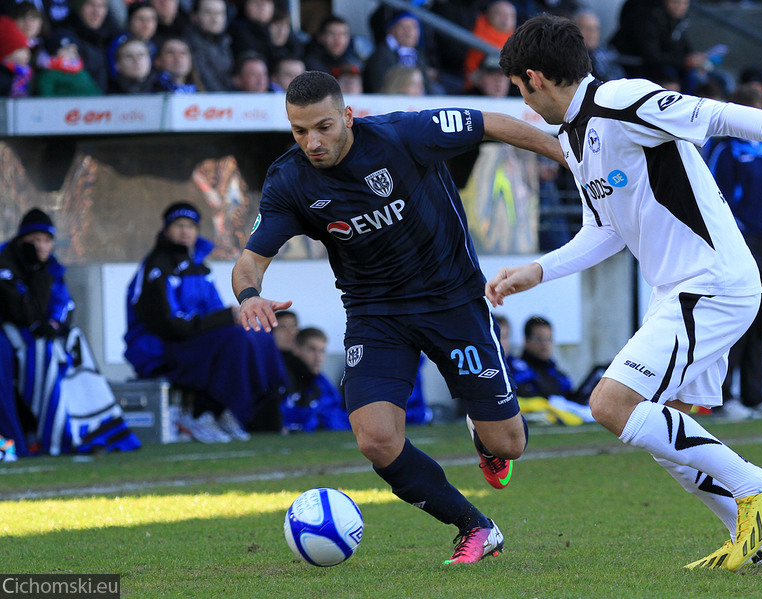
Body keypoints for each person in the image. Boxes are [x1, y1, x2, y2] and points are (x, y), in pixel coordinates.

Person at [489, 14, 762, 571]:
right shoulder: (574, 138)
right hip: (678, 291)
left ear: (535, 77)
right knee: (671, 421)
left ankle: (760, 487)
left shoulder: (621, 99)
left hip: (713, 282)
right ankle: (755, 539)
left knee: (611, 404)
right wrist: (539, 270)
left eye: (517, 85)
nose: (520, 96)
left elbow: (716, 114)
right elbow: (605, 230)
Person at [232, 71, 562, 564]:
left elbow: (490, 121)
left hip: (452, 301)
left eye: (322, 127)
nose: (311, 142)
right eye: (299, 131)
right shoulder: (290, 181)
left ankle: (485, 437)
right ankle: (474, 526)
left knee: (509, 444)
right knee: (377, 440)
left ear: (347, 115)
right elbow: (249, 261)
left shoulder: (403, 135)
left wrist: (570, 160)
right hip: (375, 313)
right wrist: (249, 297)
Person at [125, 202, 288, 443]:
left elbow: (214, 313)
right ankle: (204, 412)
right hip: (159, 346)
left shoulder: (201, 269)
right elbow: (169, 325)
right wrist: (225, 317)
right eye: (179, 225)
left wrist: (233, 317)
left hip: (193, 339)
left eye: (191, 226)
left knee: (257, 332)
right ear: (166, 230)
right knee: (235, 339)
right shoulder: (156, 268)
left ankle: (251, 408)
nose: (185, 231)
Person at [1, 209, 140, 456]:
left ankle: (96, 428)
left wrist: (55, 324)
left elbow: (64, 304)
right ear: (22, 241)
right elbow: (22, 312)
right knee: (37, 356)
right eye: (35, 241)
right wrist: (37, 276)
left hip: (37, 337)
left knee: (74, 350)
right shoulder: (7, 263)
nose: (42, 247)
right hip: (11, 334)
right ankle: (40, 438)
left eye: (46, 241)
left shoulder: (51, 268)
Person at [706, 84, 762, 421]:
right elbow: (716, 196)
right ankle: (723, 397)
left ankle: (755, 395)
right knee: (736, 320)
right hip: (743, 243)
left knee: (760, 322)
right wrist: (735, 238)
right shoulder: (724, 148)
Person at [280, 327, 351, 433]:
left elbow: (336, 414)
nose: (318, 357)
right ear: (297, 349)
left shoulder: (322, 382)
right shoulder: (284, 378)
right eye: (312, 350)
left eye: (322, 351)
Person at [34, 28, 103, 96]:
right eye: (66, 50)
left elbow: (95, 91)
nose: (71, 54)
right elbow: (45, 96)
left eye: (74, 51)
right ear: (55, 53)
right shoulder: (49, 74)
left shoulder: (81, 71)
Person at [183, 0, 232, 92]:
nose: (215, 19)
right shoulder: (188, 46)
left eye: (220, 13)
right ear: (194, 16)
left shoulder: (229, 43)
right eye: (208, 13)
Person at [573, 9, 624, 82]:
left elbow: (619, 80)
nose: (592, 33)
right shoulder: (570, 57)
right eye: (587, 28)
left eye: (596, 28)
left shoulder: (608, 54)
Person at [0, 14, 33, 97]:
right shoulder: (3, 77)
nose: (27, 54)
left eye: (27, 49)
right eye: (21, 49)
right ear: (7, 53)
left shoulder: (26, 73)